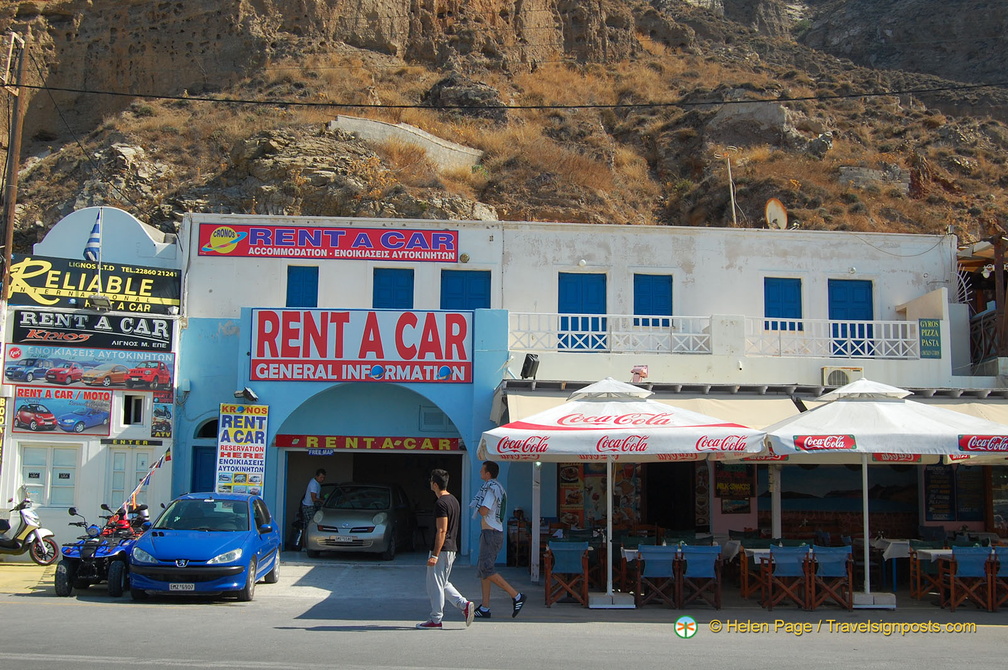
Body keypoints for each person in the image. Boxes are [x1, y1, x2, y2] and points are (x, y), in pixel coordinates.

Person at [417, 469, 475, 630]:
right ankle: (463, 604)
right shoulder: (453, 501)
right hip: (450, 549)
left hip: (442, 550)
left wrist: (434, 554)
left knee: (435, 585)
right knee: (442, 582)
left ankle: (436, 619)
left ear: (435, 484)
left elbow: (442, 530)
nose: (430, 484)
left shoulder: (441, 503)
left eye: (431, 481)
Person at [471, 461, 526, 619]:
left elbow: (483, 511)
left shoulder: (489, 490)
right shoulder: (498, 487)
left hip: (491, 533)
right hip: (492, 532)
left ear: (488, 473)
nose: (480, 471)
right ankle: (485, 607)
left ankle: (516, 596)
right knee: (483, 571)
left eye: (482, 469)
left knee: (487, 569)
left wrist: (479, 506)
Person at [299, 468, 326, 547]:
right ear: (316, 476)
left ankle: (306, 544)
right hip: (308, 506)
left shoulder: (316, 483)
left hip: (310, 506)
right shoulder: (313, 484)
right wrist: (322, 501)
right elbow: (314, 498)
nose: (322, 479)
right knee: (309, 525)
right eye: (321, 477)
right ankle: (305, 545)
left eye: (323, 478)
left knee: (308, 525)